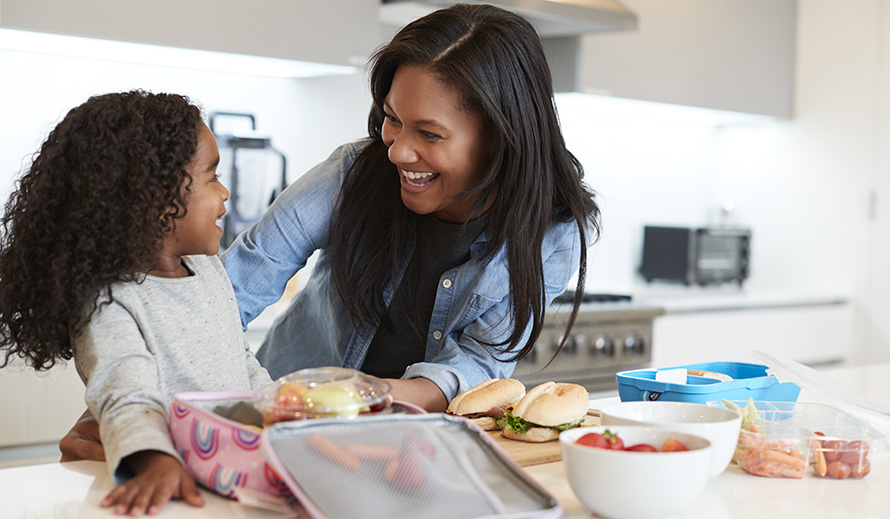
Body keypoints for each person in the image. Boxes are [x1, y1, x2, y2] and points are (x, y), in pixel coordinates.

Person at [58, 2, 602, 460]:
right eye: (392, 118)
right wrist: (134, 411)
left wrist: (377, 397)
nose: (397, 150)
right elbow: (243, 279)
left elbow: (483, 361)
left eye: (430, 134)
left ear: (502, 139)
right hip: (284, 426)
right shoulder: (352, 174)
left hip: (417, 443)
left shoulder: (551, 231)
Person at [0, 90, 272, 516]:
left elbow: (243, 365)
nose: (224, 191)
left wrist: (282, 411)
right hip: (168, 483)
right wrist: (154, 460)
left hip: (233, 472)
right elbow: (123, 391)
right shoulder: (109, 299)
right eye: (211, 176)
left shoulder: (210, 270)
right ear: (156, 198)